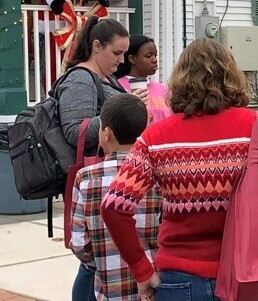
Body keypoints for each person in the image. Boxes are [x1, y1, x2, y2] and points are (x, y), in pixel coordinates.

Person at [101, 38, 258, 301]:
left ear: (180, 81)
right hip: (255, 275)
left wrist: (142, 271)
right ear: (232, 76)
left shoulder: (155, 138)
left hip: (181, 278)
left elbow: (114, 206)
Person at [70, 94, 161, 301]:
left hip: (108, 287)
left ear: (106, 134)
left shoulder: (86, 178)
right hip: (153, 284)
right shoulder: (157, 175)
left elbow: (79, 243)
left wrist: (101, 262)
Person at [55, 16, 141, 156]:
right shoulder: (81, 79)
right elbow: (75, 133)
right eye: (117, 53)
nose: (122, 60)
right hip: (93, 169)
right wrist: (122, 111)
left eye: (124, 54)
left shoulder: (108, 77)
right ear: (97, 46)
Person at [114, 34, 172, 123]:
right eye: (148, 56)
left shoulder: (164, 89)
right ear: (132, 59)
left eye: (155, 55)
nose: (154, 60)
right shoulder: (117, 87)